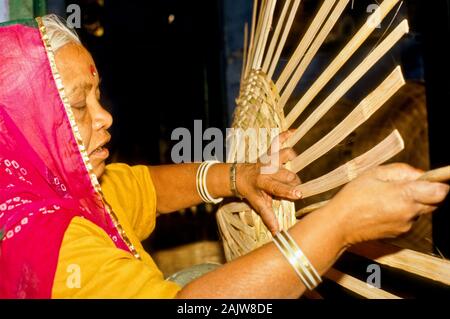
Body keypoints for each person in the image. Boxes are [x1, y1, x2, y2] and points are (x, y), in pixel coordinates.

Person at [0, 15, 448, 299]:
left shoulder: (72, 188)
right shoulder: (52, 248)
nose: (104, 117)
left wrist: (236, 177)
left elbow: (143, 187)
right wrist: (338, 226)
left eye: (99, 97)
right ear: (26, 126)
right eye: (78, 107)